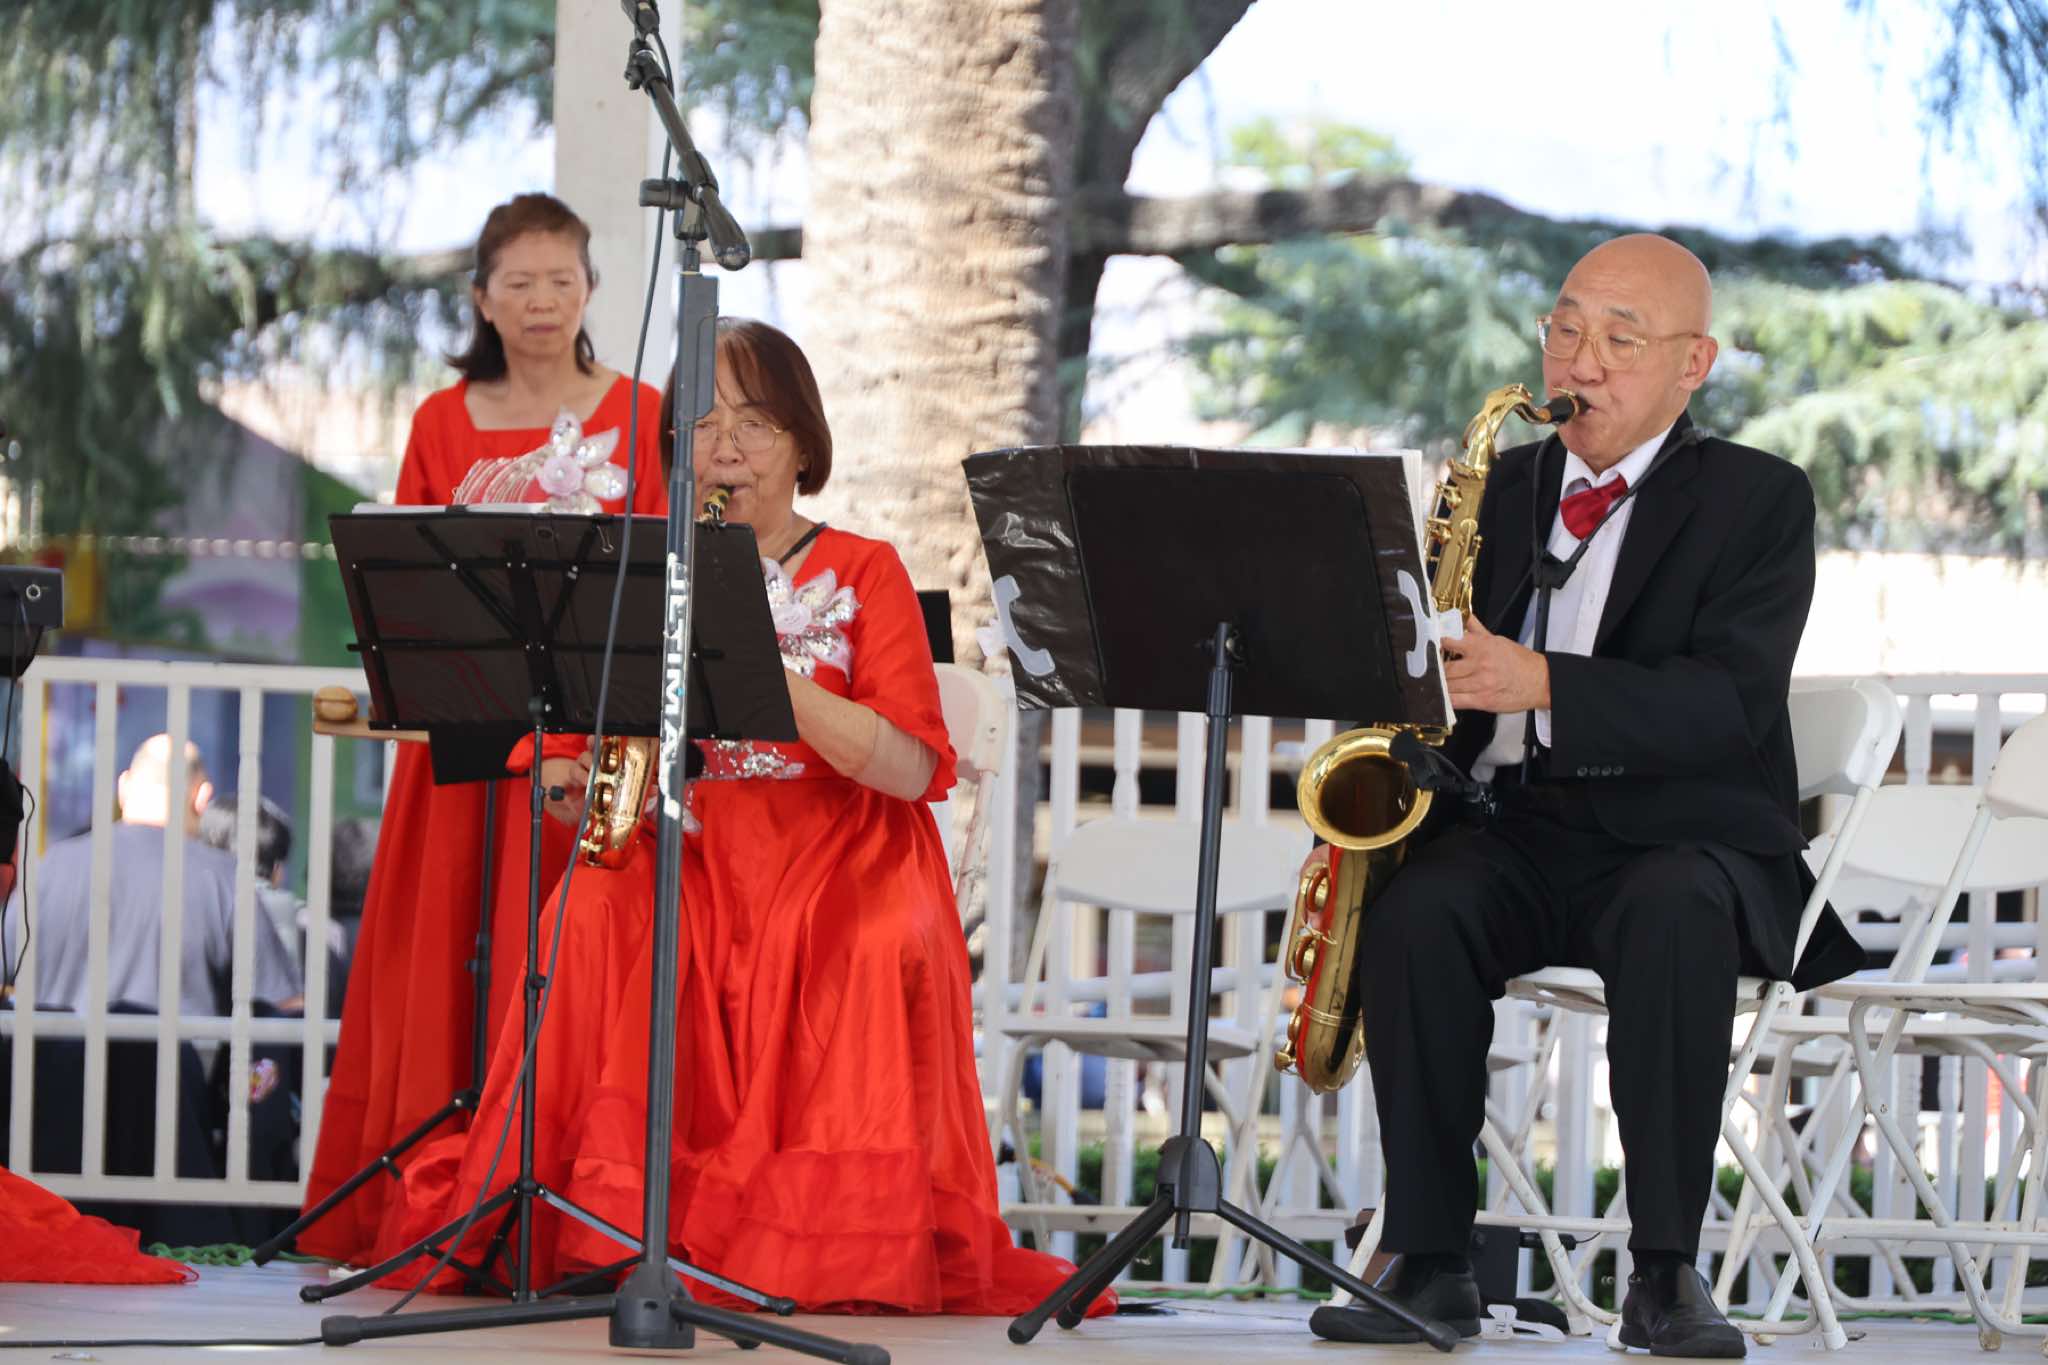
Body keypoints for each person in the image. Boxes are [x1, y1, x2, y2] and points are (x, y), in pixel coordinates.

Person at [373, 318, 1103, 1316]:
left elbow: (908, 767)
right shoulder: (640, 571)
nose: (725, 450)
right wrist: (569, 786)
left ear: (804, 445)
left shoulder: (865, 567)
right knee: (585, 912)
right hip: (688, 839)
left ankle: (816, 1238)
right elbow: (571, 755)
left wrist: (760, 664)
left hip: (840, 847)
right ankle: (604, 1228)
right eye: (703, 425)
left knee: (871, 939)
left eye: (754, 425)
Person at [1308, 235, 1863, 1357]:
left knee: (1674, 913)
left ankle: (1663, 1273)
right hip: (1514, 827)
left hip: (1681, 837)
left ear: (1693, 364)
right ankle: (1429, 1259)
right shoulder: (1500, 486)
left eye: (1620, 338)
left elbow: (1730, 701)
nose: (1583, 361)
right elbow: (1438, 680)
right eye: (1565, 330)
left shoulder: (1757, 497)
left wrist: (1546, 681)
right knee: (1418, 911)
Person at [299, 191, 670, 1264]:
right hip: (462, 740)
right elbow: (404, 589)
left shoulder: (644, 411)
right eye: (519, 282)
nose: (542, 301)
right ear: (481, 298)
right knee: (451, 967)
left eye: (562, 280)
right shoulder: (441, 421)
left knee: (563, 958)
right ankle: (435, 1197)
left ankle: (558, 1209)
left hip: (582, 744)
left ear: (591, 290)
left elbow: (657, 582)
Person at [2, 734, 301, 1019]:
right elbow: (285, 1006)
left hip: (56, 1056)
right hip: (178, 1057)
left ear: (124, 787)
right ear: (202, 796)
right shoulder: (222, 880)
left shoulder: (53, 866)